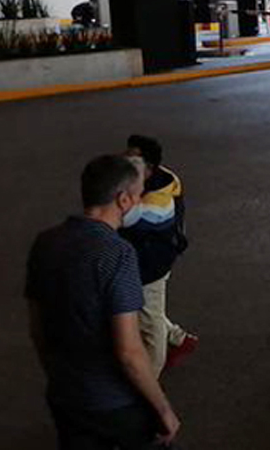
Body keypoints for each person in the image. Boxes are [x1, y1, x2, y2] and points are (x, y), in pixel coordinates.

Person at [26, 155, 181, 449]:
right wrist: (163, 409)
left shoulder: (45, 242)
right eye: (138, 195)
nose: (139, 201)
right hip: (113, 403)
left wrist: (59, 378)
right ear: (123, 200)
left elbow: (37, 328)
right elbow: (129, 352)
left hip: (64, 395)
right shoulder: (117, 254)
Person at [121, 136, 196, 377]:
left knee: (149, 324)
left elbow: (126, 219)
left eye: (133, 159)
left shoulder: (154, 203)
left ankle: (151, 376)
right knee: (146, 309)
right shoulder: (158, 177)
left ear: (150, 168)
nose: (125, 162)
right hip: (148, 258)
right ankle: (177, 338)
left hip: (151, 266)